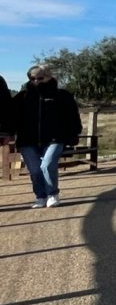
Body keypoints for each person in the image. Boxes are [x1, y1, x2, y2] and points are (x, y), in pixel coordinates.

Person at [13, 65, 82, 209]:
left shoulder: (62, 96)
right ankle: (40, 196)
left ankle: (52, 194)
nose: (36, 81)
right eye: (32, 78)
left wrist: (74, 134)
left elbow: (73, 117)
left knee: (47, 164)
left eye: (40, 77)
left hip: (55, 138)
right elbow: (12, 117)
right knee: (35, 170)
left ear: (50, 77)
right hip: (27, 140)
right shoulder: (22, 97)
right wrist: (8, 133)